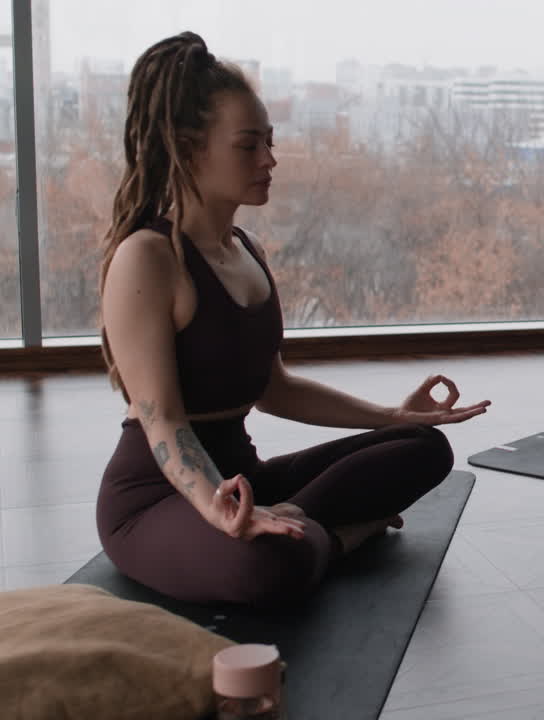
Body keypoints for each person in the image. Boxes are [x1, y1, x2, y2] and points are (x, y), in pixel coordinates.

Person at [96, 32, 490, 608]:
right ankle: (340, 535)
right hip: (161, 498)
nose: (269, 160)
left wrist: (392, 415)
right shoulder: (149, 258)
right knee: (263, 567)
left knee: (423, 446)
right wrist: (221, 509)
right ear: (188, 148)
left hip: (246, 480)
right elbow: (163, 423)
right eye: (249, 145)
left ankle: (308, 533)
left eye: (270, 143)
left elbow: (274, 388)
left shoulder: (245, 249)